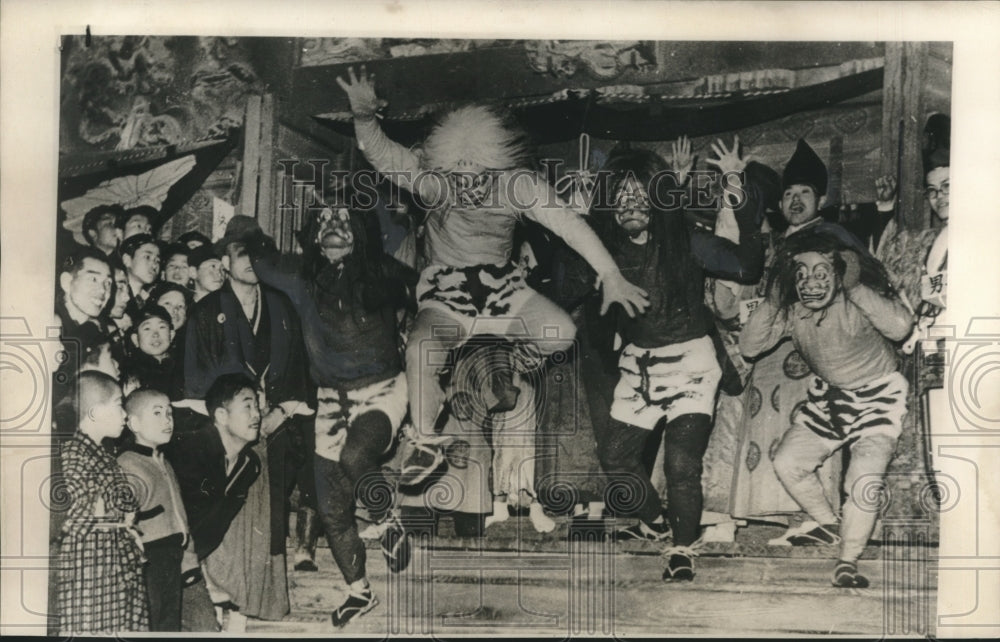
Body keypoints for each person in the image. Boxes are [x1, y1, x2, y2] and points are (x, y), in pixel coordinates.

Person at [336, 67, 649, 485]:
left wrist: (610, 274)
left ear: (493, 165)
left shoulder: (518, 186)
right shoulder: (434, 183)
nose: (465, 188)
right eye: (457, 178)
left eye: (475, 179)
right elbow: (383, 155)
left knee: (561, 332)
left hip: (503, 289)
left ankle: (515, 365)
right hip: (447, 294)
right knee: (419, 350)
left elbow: (569, 224)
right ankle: (426, 440)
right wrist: (363, 117)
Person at [588, 139, 769, 581]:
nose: (630, 206)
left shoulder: (686, 240)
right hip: (639, 366)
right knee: (614, 459)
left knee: (681, 464)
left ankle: (682, 548)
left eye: (639, 195)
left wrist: (735, 185)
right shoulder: (603, 250)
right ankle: (654, 520)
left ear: (657, 199)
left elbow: (747, 268)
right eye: (620, 198)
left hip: (691, 363)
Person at [249, 204, 418, 626]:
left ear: (360, 231)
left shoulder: (382, 272)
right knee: (332, 509)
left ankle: (387, 519)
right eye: (324, 221)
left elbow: (426, 290)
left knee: (356, 457)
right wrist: (249, 236)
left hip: (383, 389)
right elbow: (258, 262)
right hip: (330, 398)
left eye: (343, 220)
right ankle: (358, 592)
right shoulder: (302, 279)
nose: (333, 228)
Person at [740, 228, 913, 588]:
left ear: (840, 273)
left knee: (863, 477)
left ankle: (847, 560)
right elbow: (749, 347)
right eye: (801, 274)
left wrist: (854, 288)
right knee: (789, 461)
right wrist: (772, 303)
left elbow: (900, 327)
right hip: (831, 399)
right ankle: (828, 523)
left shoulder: (857, 300)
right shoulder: (795, 311)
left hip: (878, 396)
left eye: (822, 273)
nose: (811, 283)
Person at [726, 139, 864, 539]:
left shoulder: (834, 236)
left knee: (805, 428)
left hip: (814, 350)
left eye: (804, 192)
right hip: (770, 355)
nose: (795, 200)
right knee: (769, 430)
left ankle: (814, 519)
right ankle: (788, 518)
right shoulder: (776, 243)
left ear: (820, 199)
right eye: (788, 194)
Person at [168, 374, 285, 631]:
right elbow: (178, 523)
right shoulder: (191, 450)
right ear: (221, 416)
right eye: (247, 406)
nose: (257, 414)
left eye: (257, 406)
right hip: (161, 561)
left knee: (205, 628)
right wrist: (205, 581)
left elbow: (210, 529)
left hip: (189, 569)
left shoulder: (249, 465)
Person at [117, 389, 217, 632]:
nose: (167, 420)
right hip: (150, 562)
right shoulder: (127, 463)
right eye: (157, 413)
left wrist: (189, 563)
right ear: (134, 423)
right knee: (152, 623)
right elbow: (123, 521)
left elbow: (179, 517)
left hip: (174, 559)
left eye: (169, 413)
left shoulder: (164, 461)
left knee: (169, 625)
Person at [56, 371, 148, 634]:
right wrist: (116, 517)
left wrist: (114, 513)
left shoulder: (104, 455)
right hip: (91, 571)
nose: (125, 415)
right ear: (95, 412)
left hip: (112, 566)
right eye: (119, 404)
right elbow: (78, 517)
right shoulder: (74, 453)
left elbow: (125, 508)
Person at [123, 305, 180, 399]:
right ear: (135, 340)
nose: (155, 334)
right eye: (147, 329)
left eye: (162, 327)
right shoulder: (131, 373)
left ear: (171, 335)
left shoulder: (182, 366)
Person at [120, 233, 162, 317]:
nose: (154, 265)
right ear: (127, 260)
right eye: (147, 257)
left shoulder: (150, 302)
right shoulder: (116, 297)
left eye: (157, 260)